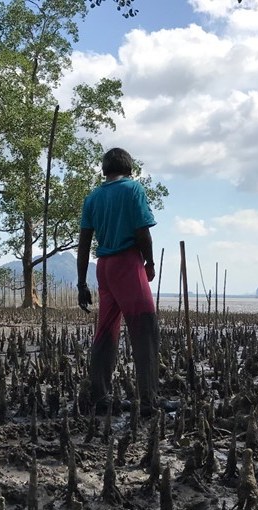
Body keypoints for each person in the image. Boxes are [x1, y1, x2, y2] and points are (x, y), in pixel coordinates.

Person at [77, 147, 162, 417]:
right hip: (127, 263)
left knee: (106, 331)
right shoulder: (133, 189)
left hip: (104, 267)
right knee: (145, 330)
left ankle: (100, 397)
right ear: (129, 169)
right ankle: (149, 403)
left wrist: (81, 283)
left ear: (105, 170)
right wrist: (149, 262)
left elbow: (83, 243)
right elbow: (141, 231)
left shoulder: (92, 197)